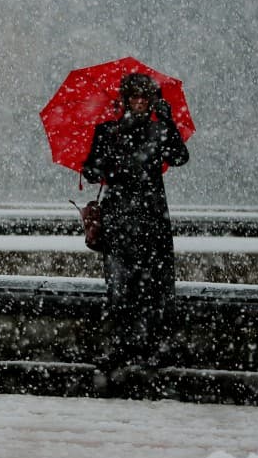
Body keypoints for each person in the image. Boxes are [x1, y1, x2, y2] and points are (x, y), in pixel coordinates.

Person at [81, 72, 190, 371]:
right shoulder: (108, 131)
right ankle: (123, 347)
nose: (140, 102)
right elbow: (92, 168)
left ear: (152, 101)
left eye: (145, 97)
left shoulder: (158, 130)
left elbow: (180, 157)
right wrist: (95, 166)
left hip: (151, 217)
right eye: (135, 97)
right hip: (119, 217)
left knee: (155, 287)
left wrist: (168, 122)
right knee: (120, 287)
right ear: (126, 99)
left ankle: (154, 348)